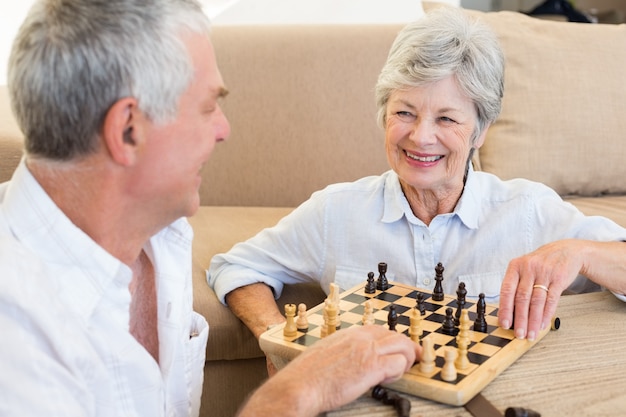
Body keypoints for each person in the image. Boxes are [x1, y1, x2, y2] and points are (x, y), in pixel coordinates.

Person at [0, 1, 418, 416]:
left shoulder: (164, 237)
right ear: (128, 129)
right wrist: (291, 395)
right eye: (207, 107)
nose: (224, 129)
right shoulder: (16, 331)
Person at [208, 4, 626, 353]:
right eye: (404, 112)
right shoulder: (336, 213)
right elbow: (236, 267)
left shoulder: (529, 211)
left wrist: (581, 253)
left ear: (480, 130)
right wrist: (278, 341)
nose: (420, 137)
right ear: (383, 114)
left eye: (446, 118)